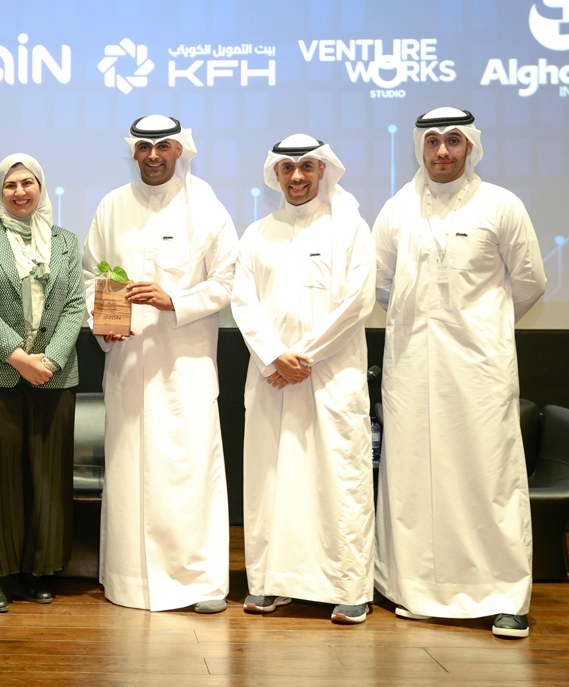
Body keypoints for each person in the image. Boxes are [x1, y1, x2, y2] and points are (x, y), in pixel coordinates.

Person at [373, 107, 546, 639]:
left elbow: (530, 282)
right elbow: (380, 284)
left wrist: (482, 329)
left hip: (480, 371)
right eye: (433, 141)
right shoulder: (397, 210)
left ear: (470, 146)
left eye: (453, 140)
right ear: (420, 148)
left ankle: (505, 597)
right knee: (415, 479)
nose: (442, 151)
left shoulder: (501, 204)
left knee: (489, 477)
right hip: (412, 370)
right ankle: (417, 590)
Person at [81, 115, 239, 613]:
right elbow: (90, 276)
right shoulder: (112, 206)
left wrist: (175, 301)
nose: (153, 155)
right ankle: (128, 580)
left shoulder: (206, 206)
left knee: (189, 472)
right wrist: (103, 321)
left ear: (180, 150)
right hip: (128, 365)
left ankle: (197, 582)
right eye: (144, 147)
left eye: (163, 146)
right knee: (129, 469)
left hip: (184, 367)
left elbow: (228, 281)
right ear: (133, 152)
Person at [231, 134, 376, 624]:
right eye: (287, 168)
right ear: (274, 174)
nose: (296, 177)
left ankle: (349, 587)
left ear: (323, 171)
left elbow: (358, 301)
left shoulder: (350, 228)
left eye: (307, 167)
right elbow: (243, 302)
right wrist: (275, 356)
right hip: (272, 377)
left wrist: (303, 357)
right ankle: (270, 582)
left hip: (332, 375)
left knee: (339, 479)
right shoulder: (257, 234)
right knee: (271, 479)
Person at [0, 154, 87, 613]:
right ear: (0, 191)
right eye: (10, 185)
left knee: (43, 477)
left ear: (41, 188)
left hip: (52, 375)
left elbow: (74, 305)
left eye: (28, 183)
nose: (20, 192)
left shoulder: (65, 241)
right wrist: (18, 357)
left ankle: (36, 568)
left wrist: (51, 359)